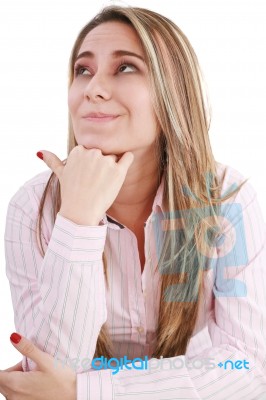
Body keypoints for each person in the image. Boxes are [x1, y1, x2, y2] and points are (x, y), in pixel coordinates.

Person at [1, 5, 266, 400]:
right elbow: (50, 371)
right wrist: (79, 219)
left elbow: (247, 368)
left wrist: (90, 391)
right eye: (83, 70)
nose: (92, 88)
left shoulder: (227, 200)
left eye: (125, 68)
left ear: (173, 91)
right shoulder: (33, 208)